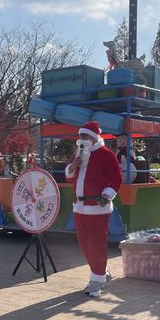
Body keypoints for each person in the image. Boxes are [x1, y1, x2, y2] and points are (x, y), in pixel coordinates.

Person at [65, 122, 122, 297]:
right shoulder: (78, 154)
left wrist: (106, 196)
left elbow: (117, 178)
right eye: (80, 136)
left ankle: (97, 279)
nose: (81, 140)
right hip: (79, 207)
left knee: (96, 244)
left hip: (96, 207)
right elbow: (69, 178)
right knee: (84, 243)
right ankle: (101, 272)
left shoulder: (106, 154)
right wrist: (72, 167)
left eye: (85, 136)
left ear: (94, 137)